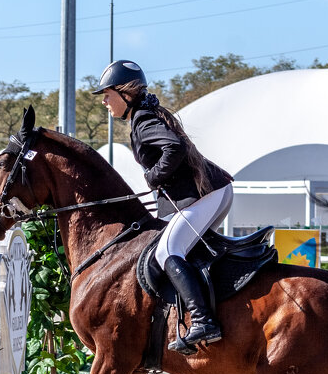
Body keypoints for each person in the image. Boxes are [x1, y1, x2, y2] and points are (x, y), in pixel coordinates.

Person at [93, 59, 234, 353]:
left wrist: (152, 176)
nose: (105, 101)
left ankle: (204, 320)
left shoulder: (143, 120)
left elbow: (176, 148)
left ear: (125, 93)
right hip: (213, 192)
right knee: (187, 253)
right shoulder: (145, 114)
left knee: (168, 250)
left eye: (108, 94)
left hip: (206, 195)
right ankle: (189, 321)